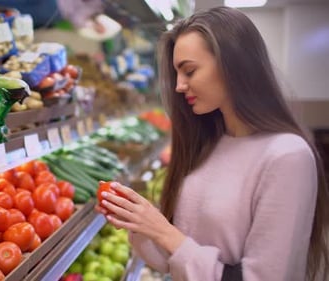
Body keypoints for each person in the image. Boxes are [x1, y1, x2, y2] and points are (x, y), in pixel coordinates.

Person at [95, 6, 329, 281]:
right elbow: (173, 261)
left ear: (234, 66)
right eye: (177, 74)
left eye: (189, 71)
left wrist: (163, 231)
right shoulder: (210, 144)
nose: (179, 86)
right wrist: (138, 221)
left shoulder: (287, 156)